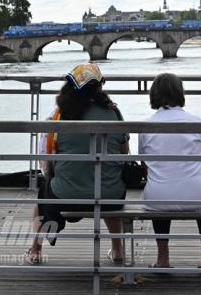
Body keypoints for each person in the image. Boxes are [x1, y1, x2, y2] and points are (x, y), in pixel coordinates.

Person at [26, 63, 128, 265]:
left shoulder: (59, 116)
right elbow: (124, 154)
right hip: (110, 196)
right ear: (99, 87)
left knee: (43, 192)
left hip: (67, 196)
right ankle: (118, 250)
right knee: (108, 183)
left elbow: (46, 161)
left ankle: (35, 250)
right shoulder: (113, 114)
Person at [138, 73, 201, 269]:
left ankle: (162, 258)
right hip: (197, 194)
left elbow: (146, 166)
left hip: (159, 195)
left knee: (161, 192)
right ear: (180, 93)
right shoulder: (197, 121)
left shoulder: (145, 126)